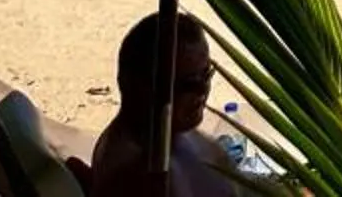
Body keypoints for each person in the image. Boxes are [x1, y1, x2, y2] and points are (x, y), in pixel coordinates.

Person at [86, 13, 250, 197]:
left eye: (206, 75)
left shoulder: (172, 134)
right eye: (188, 84)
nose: (203, 90)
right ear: (143, 87)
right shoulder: (140, 173)